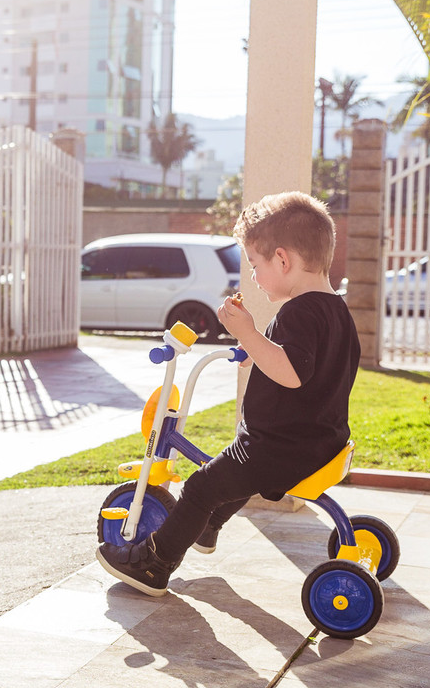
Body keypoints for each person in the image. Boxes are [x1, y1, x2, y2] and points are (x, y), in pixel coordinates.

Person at [97, 191, 360, 596]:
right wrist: (255, 351)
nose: (253, 276)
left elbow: (291, 373)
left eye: (255, 265)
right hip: (321, 440)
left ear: (283, 259)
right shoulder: (335, 311)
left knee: (203, 486)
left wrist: (248, 333)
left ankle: (154, 564)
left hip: (283, 449)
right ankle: (208, 526)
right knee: (233, 464)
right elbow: (315, 371)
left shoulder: (299, 312)